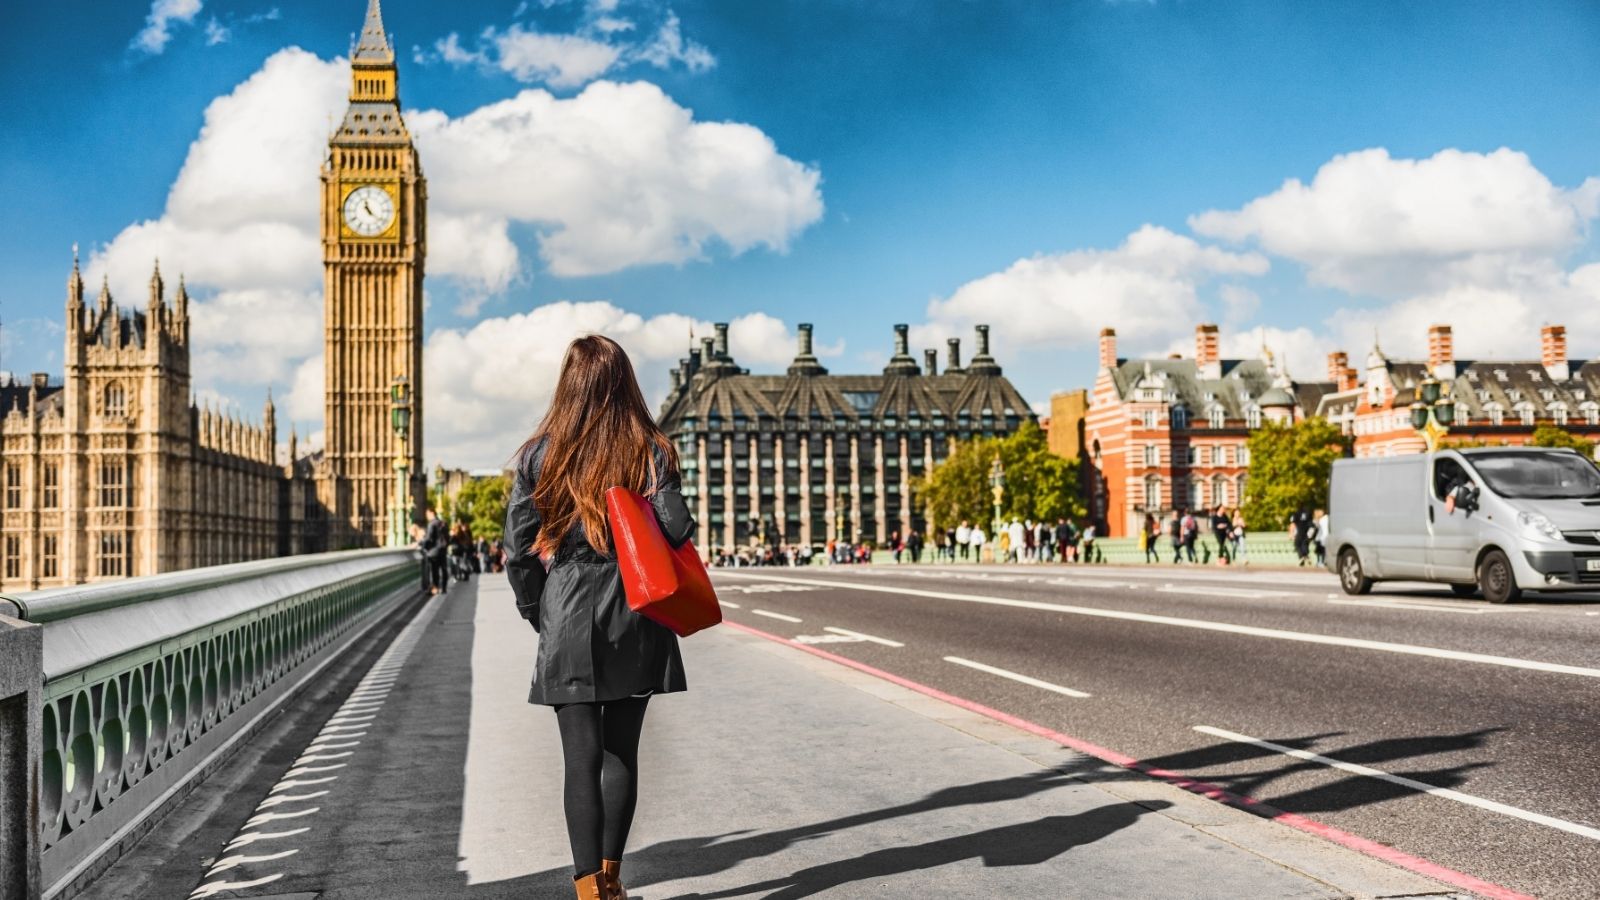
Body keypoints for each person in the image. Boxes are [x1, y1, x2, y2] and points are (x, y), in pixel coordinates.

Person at [503, 335, 694, 900]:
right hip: (636, 608)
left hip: (566, 603)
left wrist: (540, 610)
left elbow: (517, 551)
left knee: (579, 759)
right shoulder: (651, 449)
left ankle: (589, 891)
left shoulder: (541, 453)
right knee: (620, 753)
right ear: (624, 383)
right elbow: (677, 529)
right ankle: (612, 880)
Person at [421, 507, 448, 594]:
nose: (426, 517)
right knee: (444, 568)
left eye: (427, 514)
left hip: (434, 550)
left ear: (431, 513)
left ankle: (435, 587)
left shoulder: (432, 524)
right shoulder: (443, 523)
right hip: (443, 549)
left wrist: (422, 545)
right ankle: (444, 588)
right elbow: (447, 537)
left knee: (434, 570)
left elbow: (429, 538)